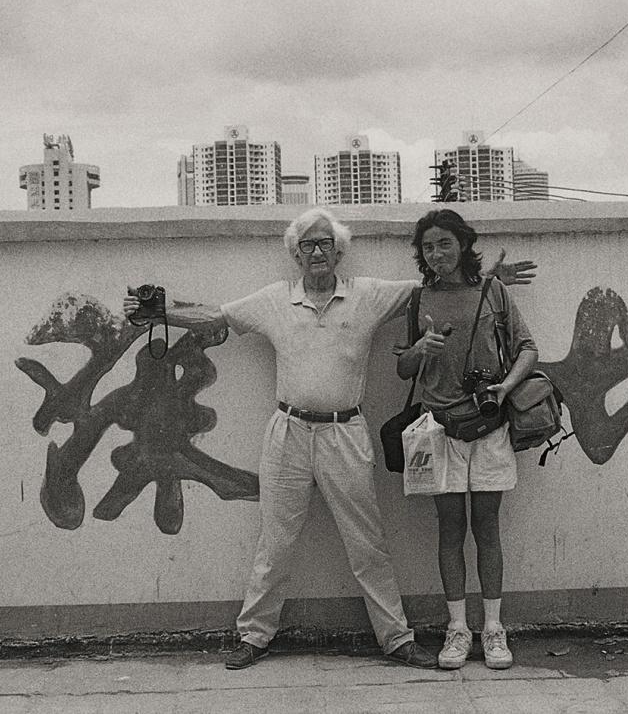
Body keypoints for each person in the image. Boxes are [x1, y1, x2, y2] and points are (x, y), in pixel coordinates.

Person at [122, 207, 536, 670]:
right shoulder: (275, 299)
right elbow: (215, 317)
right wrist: (160, 312)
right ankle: (254, 635)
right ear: (295, 254)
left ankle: (396, 638)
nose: (317, 252)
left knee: (367, 543)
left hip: (346, 432)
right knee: (275, 543)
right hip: (288, 431)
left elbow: (439, 286)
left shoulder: (368, 295)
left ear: (339, 252)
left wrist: (490, 278)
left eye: (325, 244)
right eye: (307, 245)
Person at [395, 208, 539, 670]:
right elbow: (403, 368)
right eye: (428, 247)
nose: (436, 254)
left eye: (444, 243)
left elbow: (527, 348)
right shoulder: (419, 300)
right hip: (441, 431)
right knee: (451, 529)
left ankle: (493, 628)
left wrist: (505, 387)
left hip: (490, 428)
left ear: (463, 245)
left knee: (487, 528)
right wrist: (420, 349)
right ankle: (457, 628)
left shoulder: (493, 291)